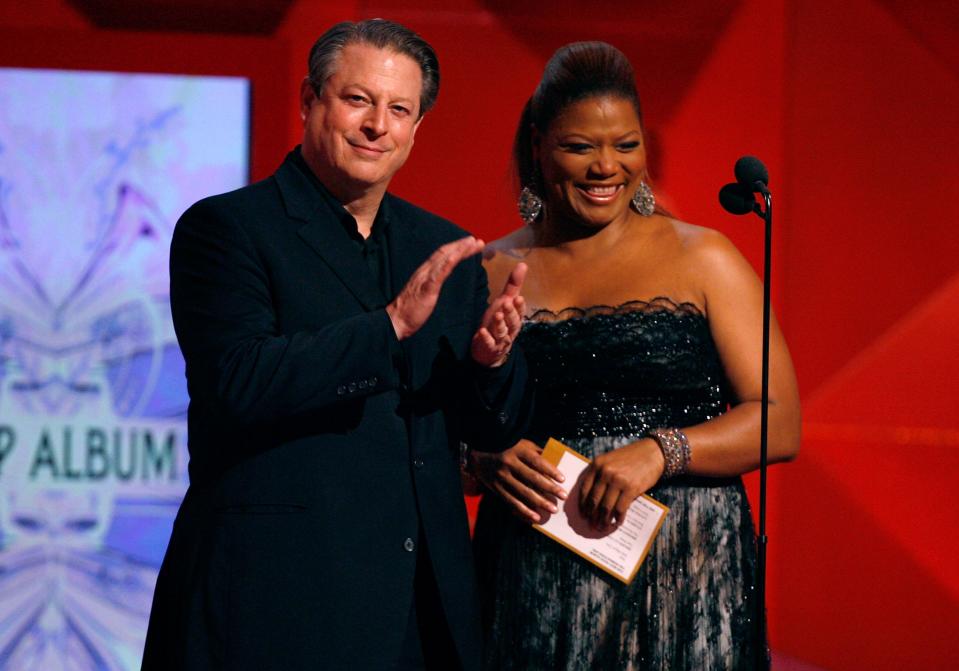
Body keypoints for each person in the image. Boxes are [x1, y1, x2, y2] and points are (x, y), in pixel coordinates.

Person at [142, 19, 532, 671]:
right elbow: (239, 381)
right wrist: (387, 329)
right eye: (357, 100)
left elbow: (484, 430)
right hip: (280, 603)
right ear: (308, 100)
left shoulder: (444, 249)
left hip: (420, 612)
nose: (377, 125)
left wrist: (491, 366)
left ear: (415, 129)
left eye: (398, 109)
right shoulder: (227, 229)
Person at [467, 41, 801, 670]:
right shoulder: (487, 271)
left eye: (625, 145)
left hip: (689, 577)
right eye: (579, 147)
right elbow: (445, 438)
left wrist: (660, 452)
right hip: (538, 581)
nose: (606, 167)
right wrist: (483, 459)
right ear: (538, 145)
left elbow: (781, 422)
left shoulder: (705, 257)